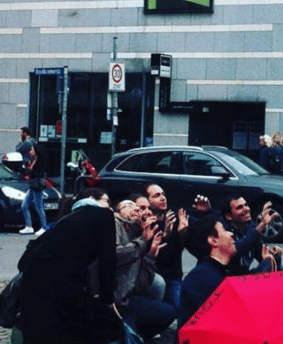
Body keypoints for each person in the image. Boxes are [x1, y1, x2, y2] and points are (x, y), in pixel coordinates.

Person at [18, 188, 122, 344]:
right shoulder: (104, 215)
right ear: (93, 199)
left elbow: (24, 261)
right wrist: (107, 300)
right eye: (107, 201)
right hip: (62, 289)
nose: (110, 207)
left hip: (33, 288)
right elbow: (108, 260)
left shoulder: (65, 221)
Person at [178, 214, 277, 327]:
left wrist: (266, 264)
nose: (231, 234)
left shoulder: (218, 270)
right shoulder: (200, 278)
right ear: (213, 240)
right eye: (224, 231)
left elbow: (240, 283)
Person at [113, 199, 175, 341]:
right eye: (129, 205)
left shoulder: (138, 233)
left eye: (137, 208)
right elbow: (115, 255)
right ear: (117, 213)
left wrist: (150, 256)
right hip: (112, 304)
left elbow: (139, 286)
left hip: (127, 302)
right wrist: (142, 241)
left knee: (169, 312)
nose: (135, 209)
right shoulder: (114, 223)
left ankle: (138, 335)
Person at [144, 183, 189, 310]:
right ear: (147, 201)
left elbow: (175, 255)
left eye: (163, 194)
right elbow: (159, 259)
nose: (163, 198)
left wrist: (182, 234)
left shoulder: (173, 217)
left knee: (180, 308)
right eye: (157, 195)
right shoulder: (147, 223)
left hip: (173, 277)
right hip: (153, 279)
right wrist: (166, 236)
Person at [219, 195, 283, 274]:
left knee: (276, 262)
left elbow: (261, 252)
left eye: (246, 205)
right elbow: (238, 249)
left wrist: (274, 254)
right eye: (240, 207)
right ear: (229, 216)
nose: (246, 209)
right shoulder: (223, 231)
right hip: (229, 277)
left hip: (244, 276)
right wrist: (262, 225)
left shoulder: (249, 226)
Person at [17, 127, 46, 235]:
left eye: (32, 150)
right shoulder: (33, 162)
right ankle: (29, 226)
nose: (30, 152)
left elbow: (37, 174)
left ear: (36, 153)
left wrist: (29, 170)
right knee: (24, 205)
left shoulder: (38, 163)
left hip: (37, 186)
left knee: (39, 207)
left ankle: (44, 227)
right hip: (33, 186)